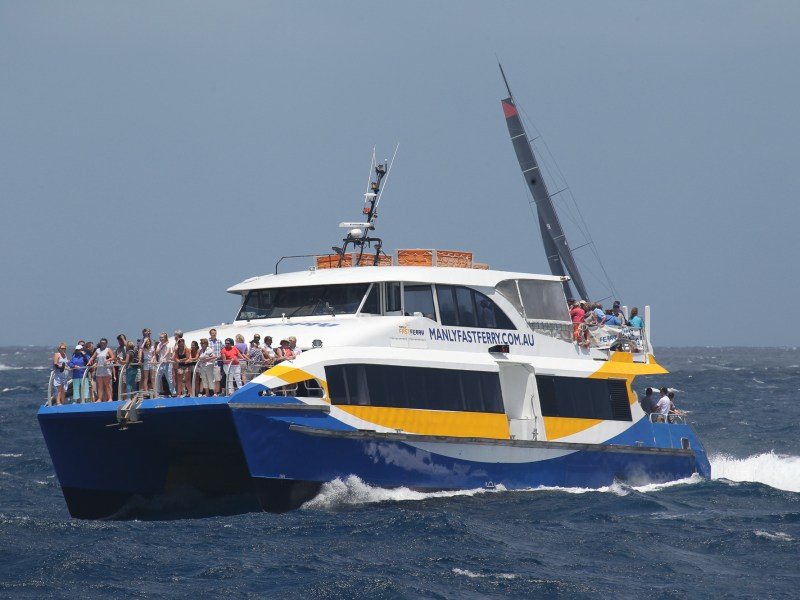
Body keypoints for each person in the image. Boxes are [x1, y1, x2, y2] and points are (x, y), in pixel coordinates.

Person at [155, 332, 176, 397]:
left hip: (167, 363)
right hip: (160, 364)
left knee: (169, 379)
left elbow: (168, 351)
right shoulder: (159, 344)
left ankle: (173, 392)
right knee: (157, 378)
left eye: (162, 337)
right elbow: (157, 351)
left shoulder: (169, 344)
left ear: (165, 338)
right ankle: (157, 392)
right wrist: (162, 346)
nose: (160, 338)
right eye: (160, 337)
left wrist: (163, 357)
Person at [208, 328, 223, 395]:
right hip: (209, 362)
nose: (213, 334)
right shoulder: (207, 342)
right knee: (211, 378)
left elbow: (222, 351)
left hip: (217, 362)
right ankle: (212, 392)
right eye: (212, 333)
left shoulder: (219, 341)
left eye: (214, 333)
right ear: (210, 334)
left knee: (217, 378)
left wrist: (218, 356)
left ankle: (217, 392)